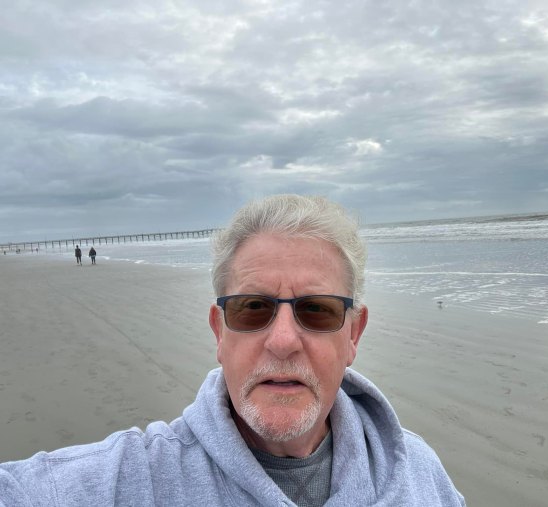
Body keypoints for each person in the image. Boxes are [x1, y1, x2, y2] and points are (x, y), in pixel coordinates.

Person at [0, 195, 465, 506]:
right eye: (252, 308)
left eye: (317, 310)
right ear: (219, 332)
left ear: (354, 336)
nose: (283, 341)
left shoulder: (419, 472)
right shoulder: (137, 477)